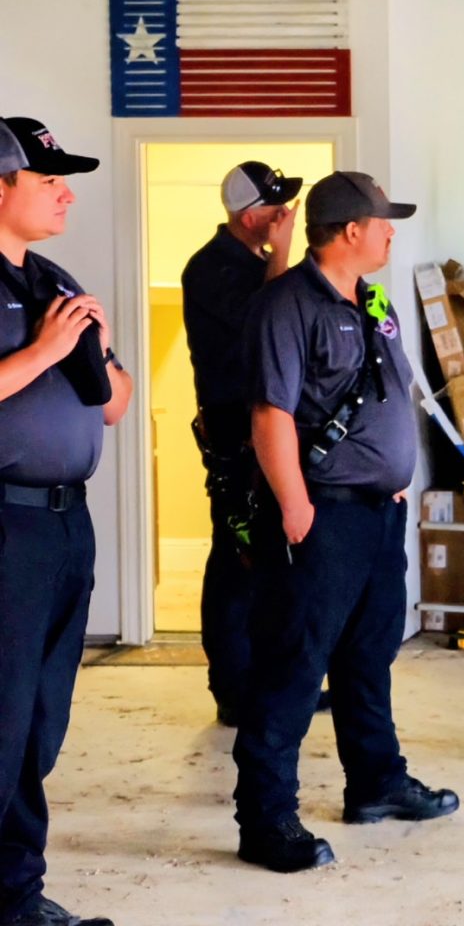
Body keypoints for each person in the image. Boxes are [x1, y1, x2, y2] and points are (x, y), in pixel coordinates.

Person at [232, 171, 458, 872]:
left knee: (369, 654)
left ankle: (376, 782)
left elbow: (385, 399)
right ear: (351, 230)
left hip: (375, 516)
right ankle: (266, 819)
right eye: (383, 221)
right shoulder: (285, 306)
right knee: (294, 665)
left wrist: (393, 477)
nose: (392, 231)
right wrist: (296, 508)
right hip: (320, 516)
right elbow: (271, 414)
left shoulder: (372, 301)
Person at [0, 116, 129, 926]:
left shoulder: (52, 277)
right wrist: (45, 351)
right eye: (48, 181)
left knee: (38, 725)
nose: (66, 193)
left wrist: (100, 350)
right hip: (6, 525)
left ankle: (17, 896)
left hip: (63, 526)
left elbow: (111, 408)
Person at [181, 161, 301, 726]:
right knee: (236, 556)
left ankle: (265, 686)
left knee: (268, 558)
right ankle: (232, 690)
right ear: (251, 217)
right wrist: (283, 253)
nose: (285, 217)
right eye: (276, 209)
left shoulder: (247, 261)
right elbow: (267, 318)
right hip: (233, 431)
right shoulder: (209, 269)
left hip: (263, 426)